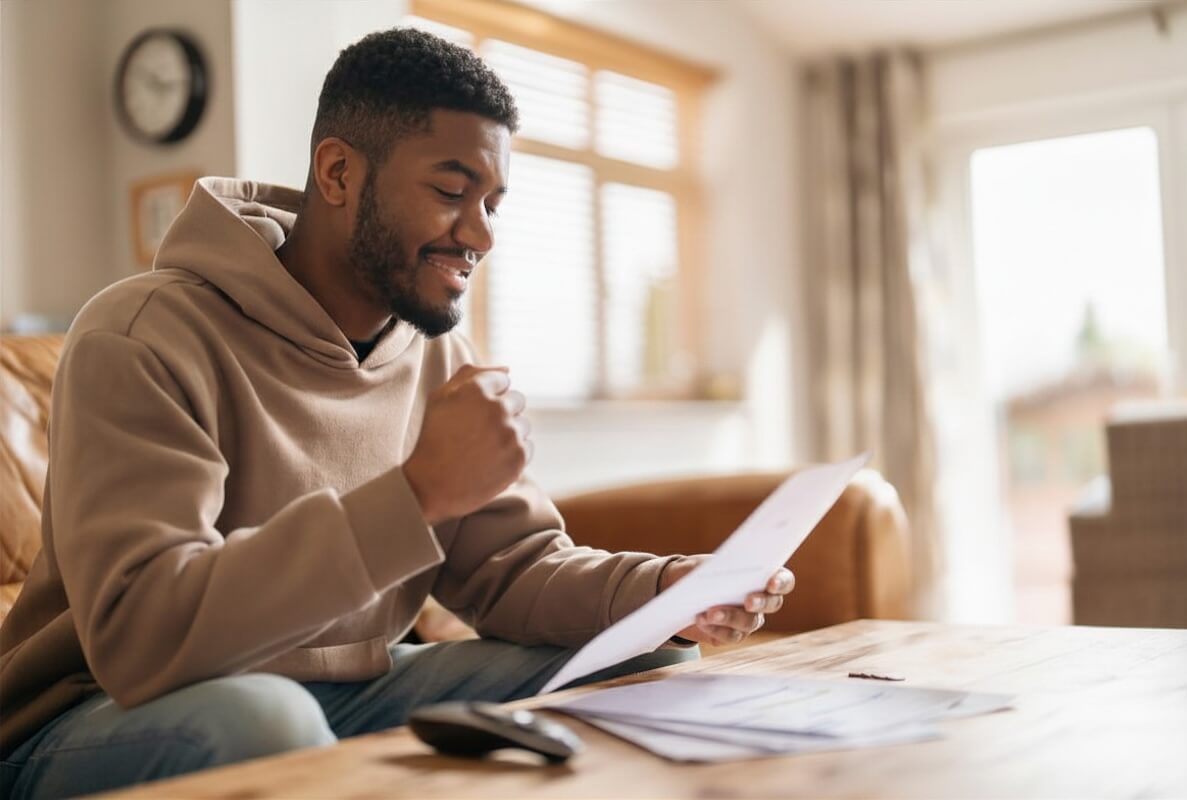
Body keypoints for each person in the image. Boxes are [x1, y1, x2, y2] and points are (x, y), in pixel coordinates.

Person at [0, 28, 794, 798]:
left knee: (644, 665)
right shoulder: (143, 333)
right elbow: (141, 639)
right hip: (97, 716)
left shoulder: (432, 349)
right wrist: (414, 498)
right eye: (452, 192)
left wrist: (668, 590)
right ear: (340, 173)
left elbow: (509, 570)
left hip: (339, 696)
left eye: (493, 202)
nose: (480, 234)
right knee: (264, 721)